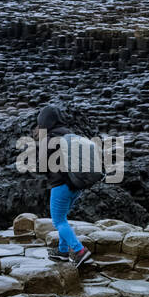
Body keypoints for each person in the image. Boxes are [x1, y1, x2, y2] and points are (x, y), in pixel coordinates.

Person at [35, 105, 94, 270]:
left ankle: (80, 250)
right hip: (76, 185)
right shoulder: (69, 135)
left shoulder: (48, 139)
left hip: (60, 186)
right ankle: (62, 251)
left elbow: (41, 167)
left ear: (44, 122)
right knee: (63, 219)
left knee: (58, 221)